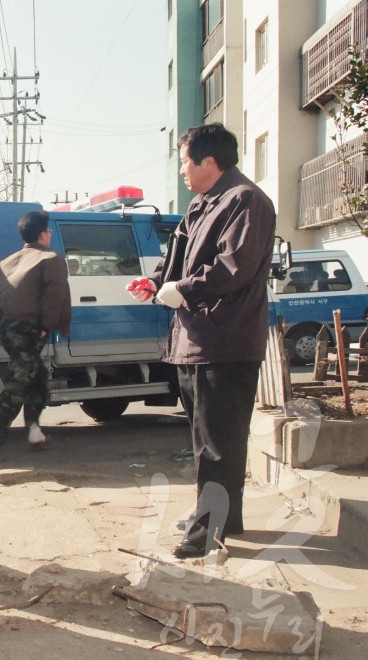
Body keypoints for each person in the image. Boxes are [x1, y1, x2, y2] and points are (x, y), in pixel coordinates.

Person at [126, 123, 276, 559]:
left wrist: (185, 291)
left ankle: (207, 533)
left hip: (225, 340)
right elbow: (176, 259)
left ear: (210, 161)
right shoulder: (202, 204)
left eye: (185, 161)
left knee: (219, 443)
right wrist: (154, 282)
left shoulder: (245, 201)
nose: (181, 171)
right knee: (205, 439)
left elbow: (234, 266)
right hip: (195, 339)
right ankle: (219, 517)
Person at [0, 210, 71, 462]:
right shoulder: (51, 258)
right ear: (42, 234)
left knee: (37, 375)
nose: (49, 234)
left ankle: (34, 429)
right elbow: (54, 293)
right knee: (19, 382)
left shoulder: (5, 262)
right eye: (48, 230)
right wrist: (47, 324)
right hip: (31, 328)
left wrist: (3, 317)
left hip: (9, 327)